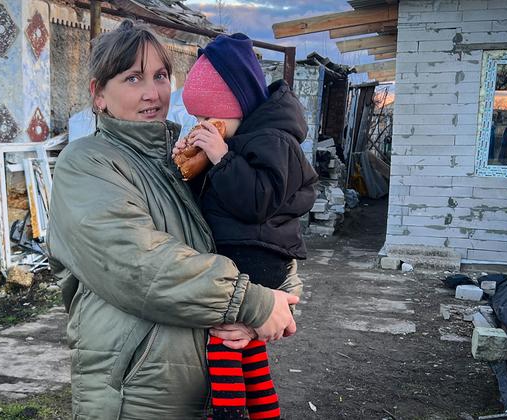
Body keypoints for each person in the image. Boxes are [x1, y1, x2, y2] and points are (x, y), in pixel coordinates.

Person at [46, 20, 300, 419]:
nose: (153, 93)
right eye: (132, 78)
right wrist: (250, 301)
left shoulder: (184, 160)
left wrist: (275, 295)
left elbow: (260, 227)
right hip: (136, 393)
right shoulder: (86, 165)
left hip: (205, 387)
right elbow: (138, 265)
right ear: (98, 95)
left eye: (160, 76)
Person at [173, 33, 318, 419]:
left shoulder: (274, 140)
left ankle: (229, 414)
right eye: (197, 118)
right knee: (246, 347)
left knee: (222, 338)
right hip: (248, 252)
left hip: (259, 256)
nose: (202, 125)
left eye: (208, 117)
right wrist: (192, 170)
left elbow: (256, 203)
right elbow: (219, 201)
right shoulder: (243, 137)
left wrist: (220, 158)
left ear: (236, 104)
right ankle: (266, 413)